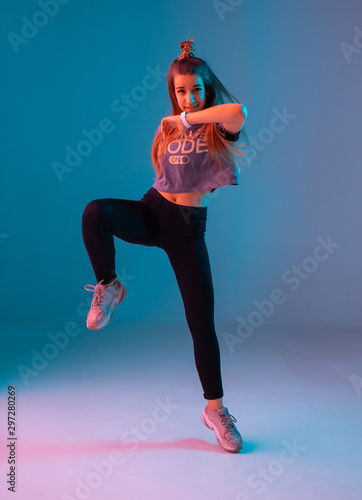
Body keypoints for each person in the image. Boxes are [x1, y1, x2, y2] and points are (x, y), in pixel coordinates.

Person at [81, 40, 255, 453]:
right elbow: (164, 173)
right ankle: (110, 285)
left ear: (206, 90)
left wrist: (187, 117)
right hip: (153, 209)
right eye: (181, 90)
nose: (189, 96)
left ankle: (215, 411)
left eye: (197, 88)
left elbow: (238, 112)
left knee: (201, 323)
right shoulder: (168, 127)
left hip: (187, 229)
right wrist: (174, 124)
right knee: (94, 212)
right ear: (172, 91)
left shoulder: (215, 123)